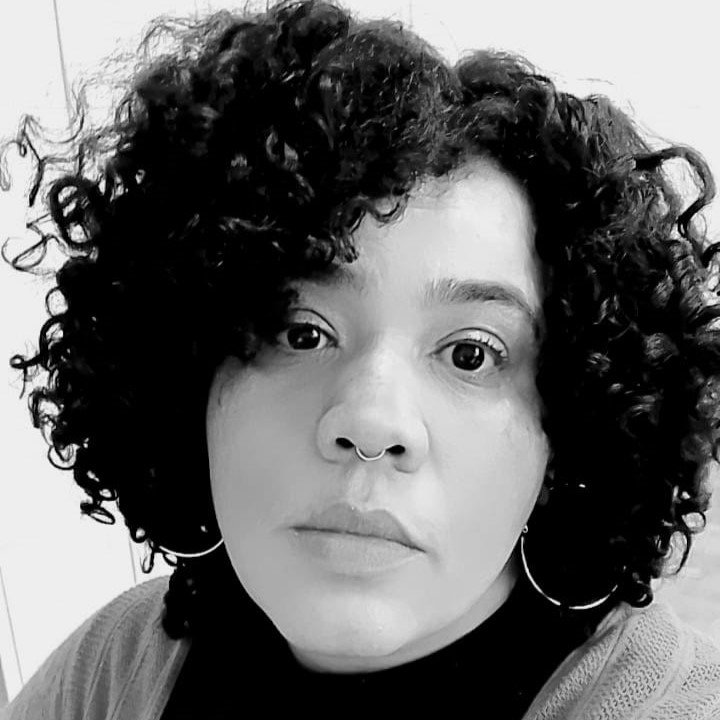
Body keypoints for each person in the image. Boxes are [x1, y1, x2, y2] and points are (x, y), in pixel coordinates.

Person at [1, 0, 720, 717]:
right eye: (300, 332)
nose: (372, 421)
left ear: (568, 430)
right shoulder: (112, 670)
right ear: (188, 375)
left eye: (471, 353)